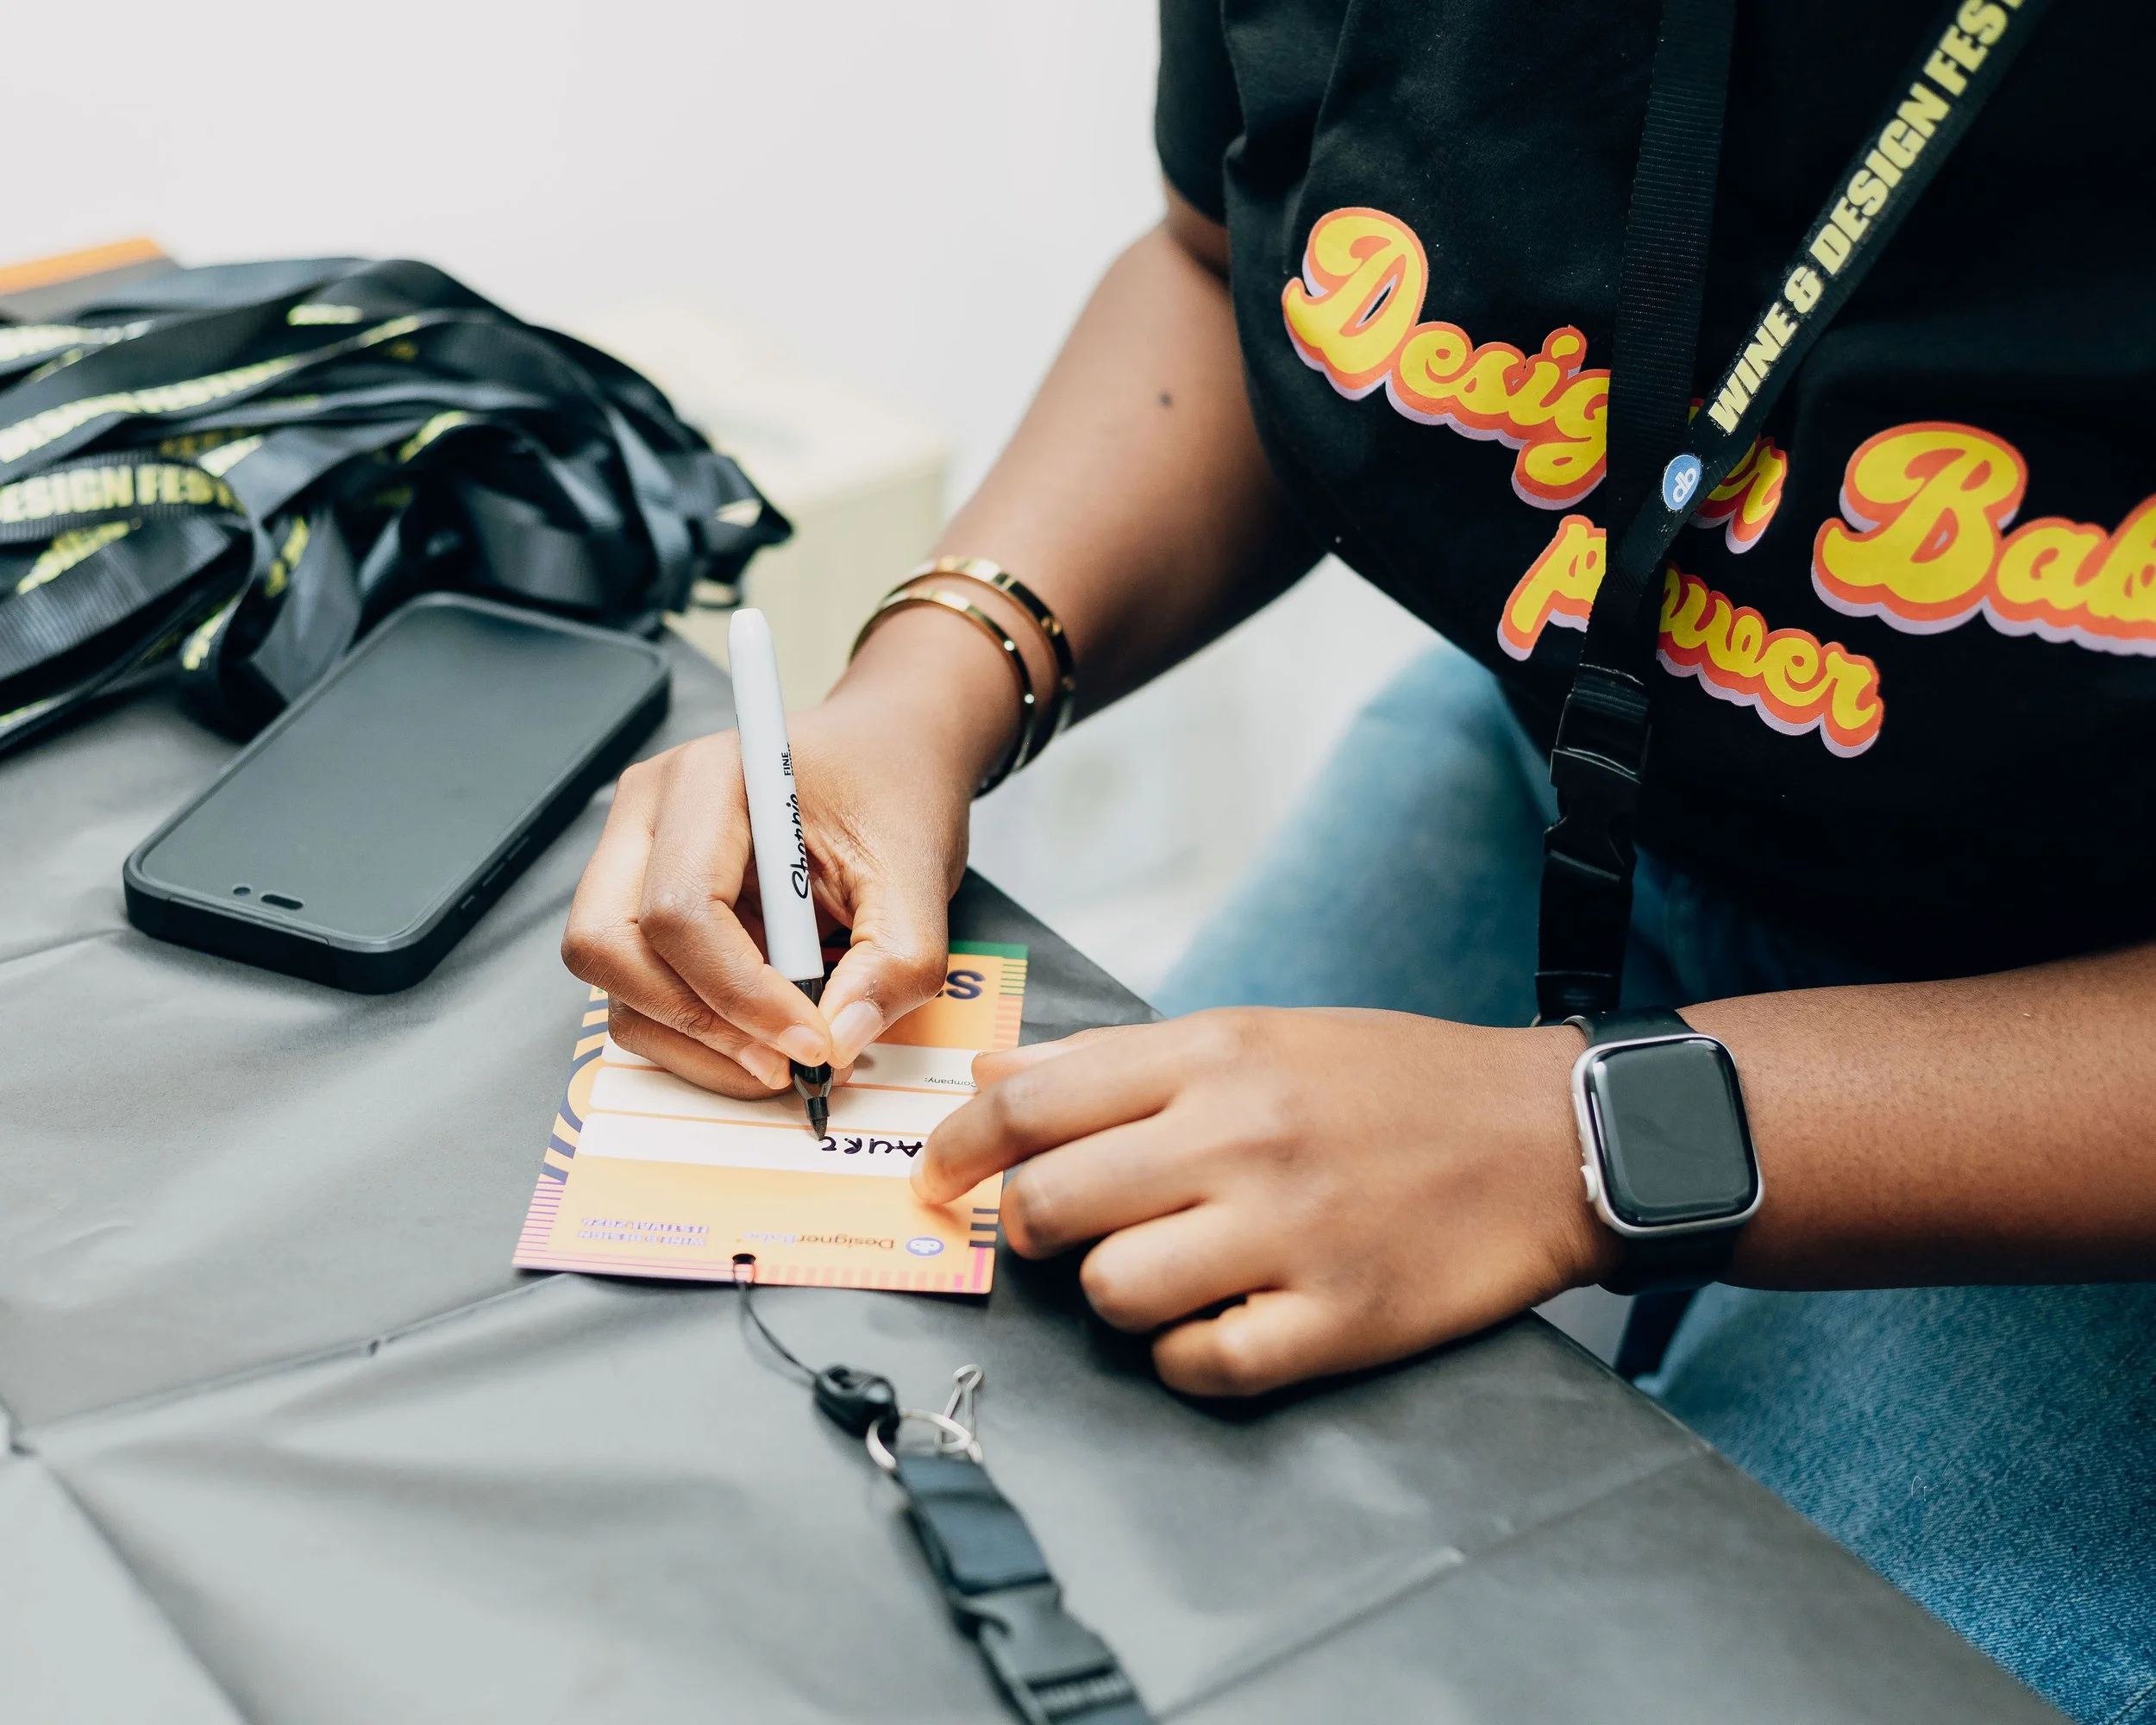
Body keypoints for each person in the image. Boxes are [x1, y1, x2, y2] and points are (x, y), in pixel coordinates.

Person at [561, 3, 2155, 1716]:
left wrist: (1567, 1146)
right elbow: (1230, 261)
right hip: (1579, 770)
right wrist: (924, 684)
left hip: (2084, 1026)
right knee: (1042, 1401)